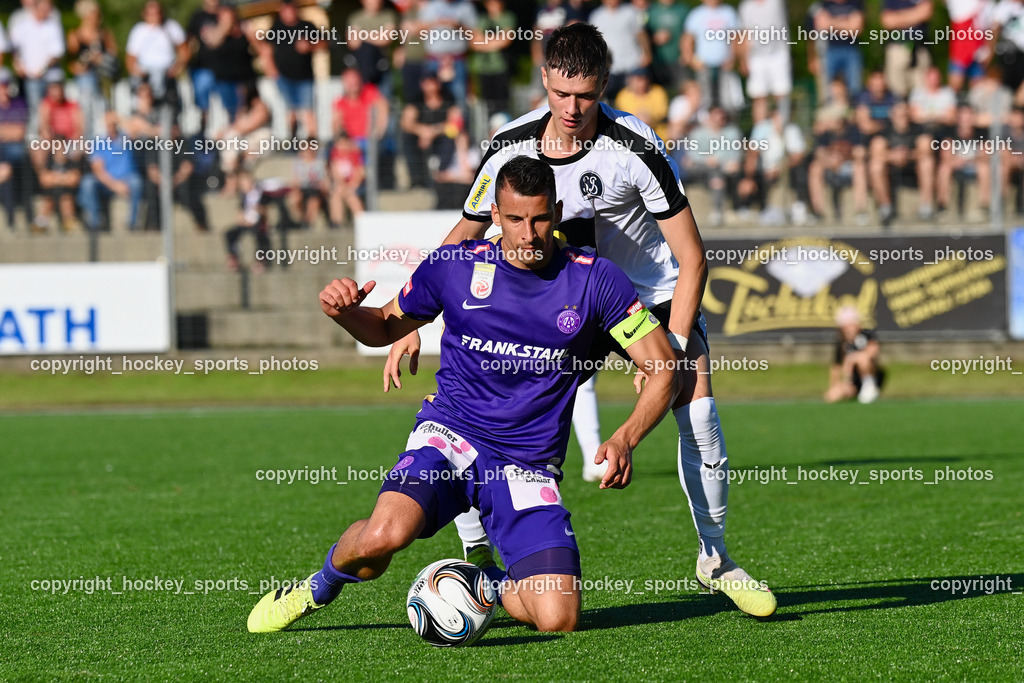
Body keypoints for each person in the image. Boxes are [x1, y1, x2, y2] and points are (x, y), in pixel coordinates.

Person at [384, 23, 777, 618]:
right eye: (561, 93)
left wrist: (667, 350)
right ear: (544, 79)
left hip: (646, 294)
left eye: (586, 96)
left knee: (698, 408)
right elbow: (462, 242)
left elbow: (693, 257)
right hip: (558, 298)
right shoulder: (509, 146)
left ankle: (716, 559)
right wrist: (405, 318)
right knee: (476, 401)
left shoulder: (636, 144)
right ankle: (475, 553)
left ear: (604, 88)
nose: (572, 108)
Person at [246, 155, 680, 633]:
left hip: (526, 460)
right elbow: (384, 327)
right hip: (451, 434)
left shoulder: (596, 278)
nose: (528, 233)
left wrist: (625, 438)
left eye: (538, 218)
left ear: (556, 212)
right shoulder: (454, 266)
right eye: (515, 219)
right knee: (382, 539)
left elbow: (663, 368)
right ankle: (316, 587)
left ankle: (484, 585)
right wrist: (345, 313)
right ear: (495, 215)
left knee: (559, 618)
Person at [262, 0, 326, 139]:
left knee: (307, 111)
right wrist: (271, 71)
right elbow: (266, 50)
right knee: (290, 111)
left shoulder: (307, 26)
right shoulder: (276, 28)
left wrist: (309, 46)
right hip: (283, 77)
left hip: (305, 77)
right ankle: (293, 140)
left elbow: (324, 43)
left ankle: (312, 142)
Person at [78, 112, 143, 233]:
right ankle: (95, 223)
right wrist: (115, 185)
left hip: (126, 180)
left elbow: (136, 127)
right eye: (108, 123)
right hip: (107, 183)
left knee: (136, 182)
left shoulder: (125, 138)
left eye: (113, 123)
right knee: (87, 183)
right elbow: (98, 170)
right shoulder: (98, 142)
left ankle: (132, 224)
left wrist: (119, 119)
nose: (111, 125)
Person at [67, 0, 118, 138]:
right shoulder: (75, 35)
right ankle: (88, 138)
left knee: (104, 105)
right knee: (88, 91)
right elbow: (70, 63)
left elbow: (114, 56)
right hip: (86, 80)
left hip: (104, 78)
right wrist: (82, 64)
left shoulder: (105, 34)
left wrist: (101, 58)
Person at [125, 1, 188, 108]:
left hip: (166, 69)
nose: (155, 16)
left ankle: (159, 104)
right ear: (144, 14)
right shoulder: (138, 30)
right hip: (145, 70)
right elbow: (130, 59)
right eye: (151, 13)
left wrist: (178, 67)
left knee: (158, 76)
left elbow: (184, 50)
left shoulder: (170, 27)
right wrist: (137, 71)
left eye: (157, 13)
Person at [738, 0, 792, 120]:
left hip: (778, 53)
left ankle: (782, 127)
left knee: (781, 94)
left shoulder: (776, 2)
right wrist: (744, 59)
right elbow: (745, 33)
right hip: (756, 56)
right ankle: (760, 133)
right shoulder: (746, 7)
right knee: (759, 95)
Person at [682, 0, 740, 111]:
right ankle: (705, 125)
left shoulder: (729, 12)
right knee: (704, 100)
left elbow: (736, 37)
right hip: (703, 65)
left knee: (729, 101)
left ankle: (729, 125)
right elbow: (688, 39)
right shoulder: (696, 14)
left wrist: (733, 58)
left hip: (725, 64)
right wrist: (691, 60)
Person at [589, 0, 651, 101]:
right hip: (609, 66)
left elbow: (641, 34)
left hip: (632, 64)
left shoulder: (631, 12)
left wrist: (647, 53)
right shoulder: (596, 16)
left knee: (631, 99)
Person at [825, 306, 882, 404]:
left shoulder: (866, 335)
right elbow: (836, 367)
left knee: (862, 358)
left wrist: (852, 359)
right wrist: (836, 385)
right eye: (844, 326)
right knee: (832, 396)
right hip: (852, 381)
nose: (847, 329)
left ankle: (869, 387)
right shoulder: (842, 344)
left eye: (849, 325)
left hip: (871, 375)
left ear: (857, 324)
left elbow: (873, 351)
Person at [880, 0, 933, 98]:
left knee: (922, 95)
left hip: (919, 49)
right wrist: (916, 14)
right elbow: (887, 21)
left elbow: (926, 12)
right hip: (897, 47)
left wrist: (899, 17)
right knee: (896, 95)